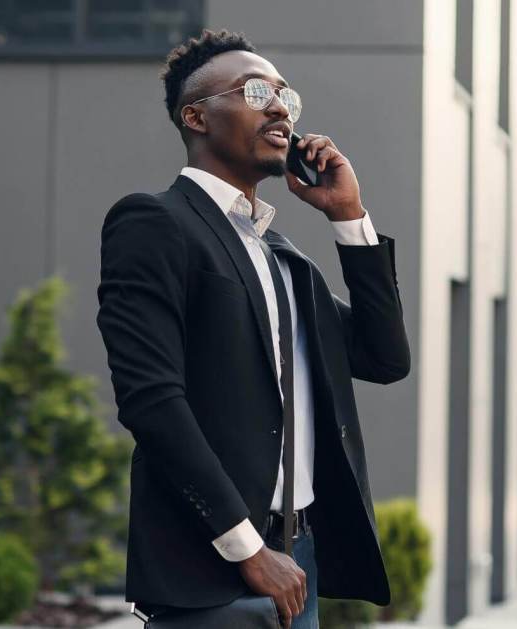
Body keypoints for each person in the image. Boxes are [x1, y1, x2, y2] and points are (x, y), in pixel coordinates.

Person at [95, 28, 410, 629]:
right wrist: (246, 547)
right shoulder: (154, 222)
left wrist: (348, 219)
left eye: (287, 98)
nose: (279, 108)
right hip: (216, 567)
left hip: (300, 558)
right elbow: (152, 400)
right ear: (196, 116)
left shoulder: (280, 255)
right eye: (257, 91)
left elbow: (384, 358)